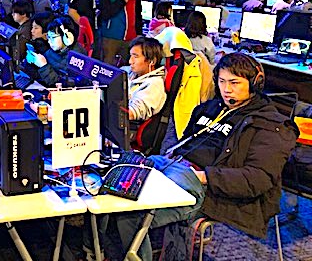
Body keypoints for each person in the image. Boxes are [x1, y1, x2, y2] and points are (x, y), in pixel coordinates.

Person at [100, 53, 299, 261]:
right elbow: (184, 145)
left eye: (234, 83)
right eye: (222, 81)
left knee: (129, 214)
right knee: (109, 187)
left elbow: (257, 180)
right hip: (173, 167)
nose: (226, 89)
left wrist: (204, 176)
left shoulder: (271, 126)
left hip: (206, 187)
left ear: (255, 84)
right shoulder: (210, 108)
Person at [97, 0, 142, 66]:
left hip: (131, 37)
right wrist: (121, 1)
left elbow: (138, 14)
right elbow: (105, 14)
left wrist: (139, 33)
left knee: (129, 65)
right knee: (107, 65)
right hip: (111, 37)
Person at [26, 16, 86, 87]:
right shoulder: (52, 52)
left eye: (53, 37)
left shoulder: (77, 58)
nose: (49, 41)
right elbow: (39, 76)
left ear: (67, 38)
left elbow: (64, 86)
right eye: (48, 37)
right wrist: (32, 62)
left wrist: (44, 66)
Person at [127, 36, 166, 121]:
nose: (130, 61)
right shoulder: (130, 72)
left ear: (152, 61)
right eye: (130, 56)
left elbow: (131, 113)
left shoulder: (154, 84)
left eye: (135, 57)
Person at [9, 0, 34, 65]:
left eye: (15, 13)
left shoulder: (26, 30)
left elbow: (20, 52)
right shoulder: (25, 26)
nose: (12, 14)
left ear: (23, 14)